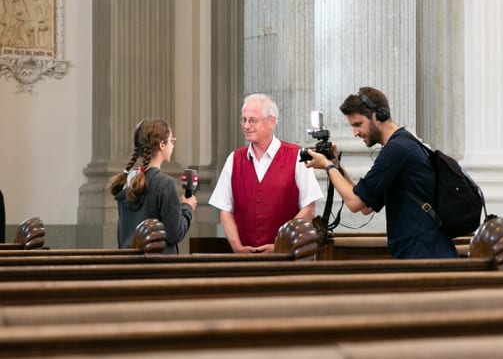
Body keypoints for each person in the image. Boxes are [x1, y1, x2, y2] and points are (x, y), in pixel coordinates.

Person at [305, 86, 459, 259]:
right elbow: (366, 206)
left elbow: (354, 203)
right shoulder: (402, 145)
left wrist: (327, 166)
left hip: (424, 255)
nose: (355, 133)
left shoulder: (397, 150)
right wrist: (337, 166)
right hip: (422, 252)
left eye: (358, 124)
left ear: (378, 116)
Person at [209, 93, 323, 253]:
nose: (246, 125)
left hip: (286, 258)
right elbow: (225, 210)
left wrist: (282, 244)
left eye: (252, 120)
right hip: (244, 259)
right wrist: (238, 248)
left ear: (272, 121)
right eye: (243, 120)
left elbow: (309, 208)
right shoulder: (234, 159)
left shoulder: (296, 155)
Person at [109, 118, 197, 254]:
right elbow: (175, 234)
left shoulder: (127, 180)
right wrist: (187, 207)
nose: (173, 145)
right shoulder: (164, 184)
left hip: (128, 266)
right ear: (162, 144)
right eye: (172, 141)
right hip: (158, 267)